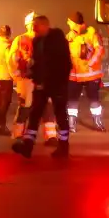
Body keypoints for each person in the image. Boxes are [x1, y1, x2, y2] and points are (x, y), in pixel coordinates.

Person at [12, 15, 72, 158]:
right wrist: (33, 74)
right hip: (41, 84)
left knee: (60, 115)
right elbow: (38, 62)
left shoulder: (57, 39)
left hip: (57, 84)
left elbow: (63, 63)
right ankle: (28, 145)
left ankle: (63, 147)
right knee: (34, 114)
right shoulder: (37, 40)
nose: (33, 28)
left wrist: (56, 82)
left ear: (45, 25)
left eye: (36, 25)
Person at [66, 11, 106, 132]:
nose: (68, 25)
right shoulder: (69, 37)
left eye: (70, 22)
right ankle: (71, 124)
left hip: (90, 75)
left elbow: (99, 50)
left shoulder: (92, 34)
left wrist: (90, 63)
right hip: (74, 76)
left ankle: (97, 121)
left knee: (94, 100)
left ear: (75, 23)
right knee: (72, 100)